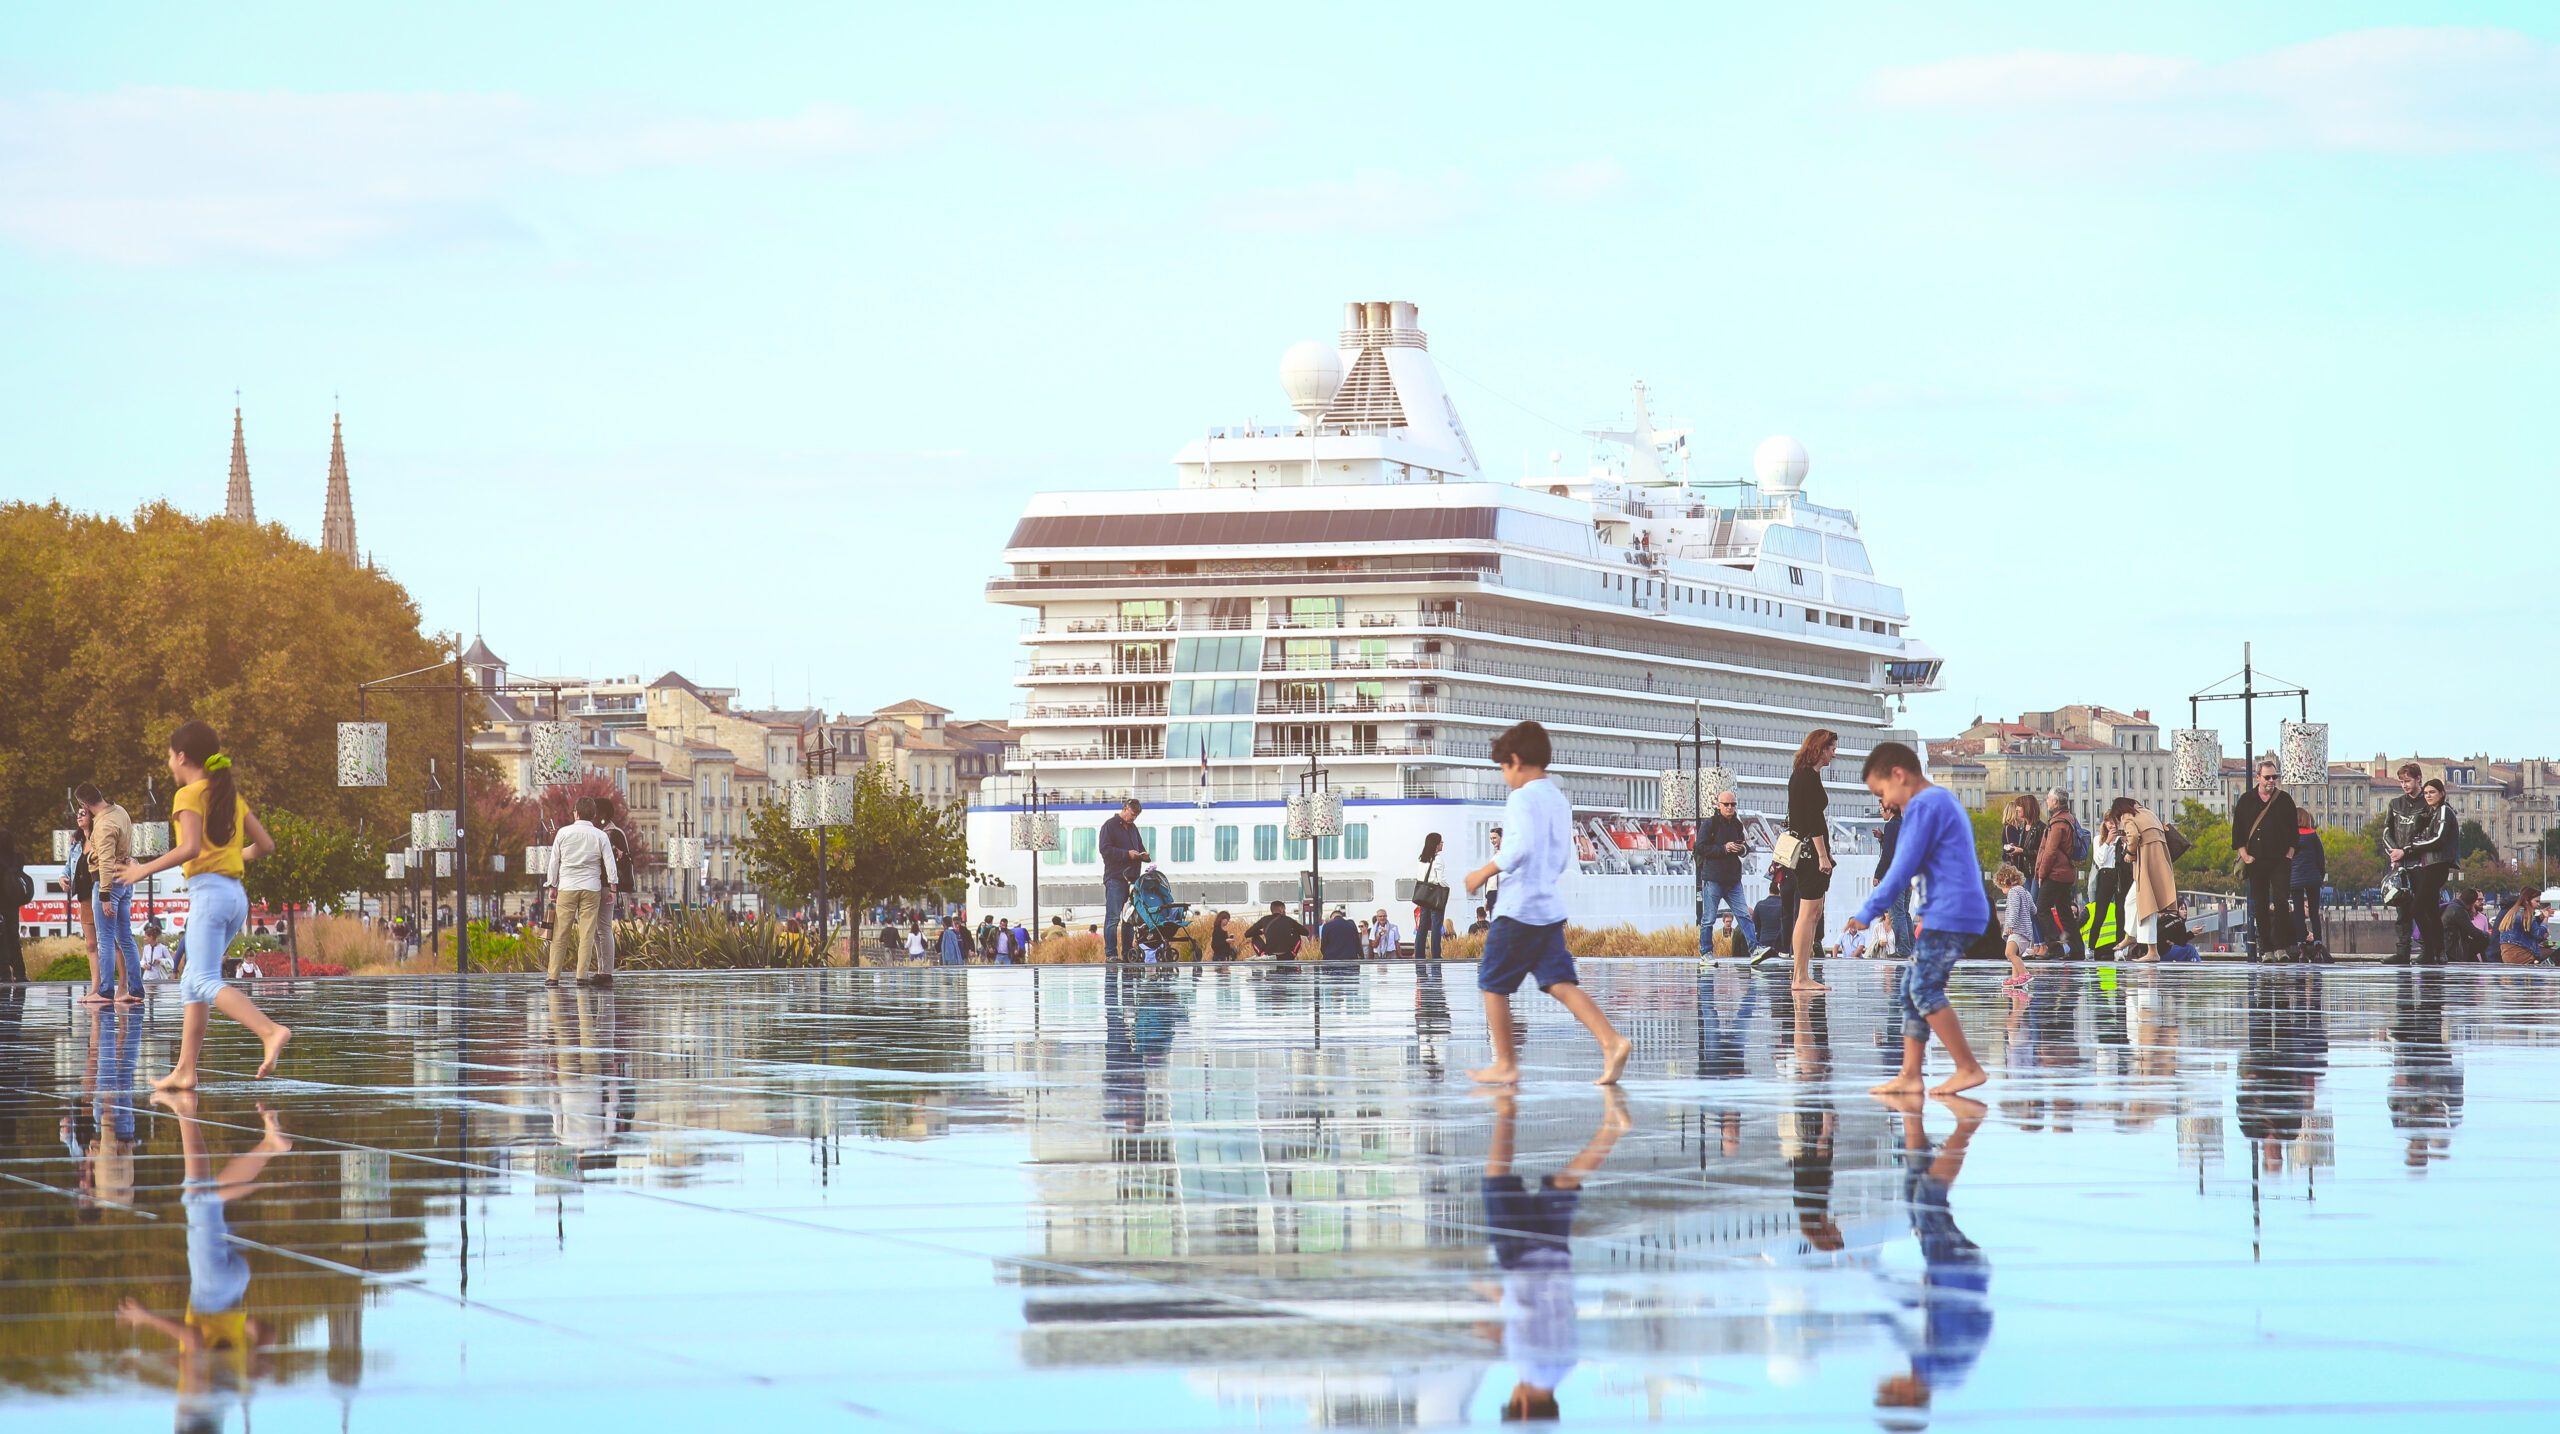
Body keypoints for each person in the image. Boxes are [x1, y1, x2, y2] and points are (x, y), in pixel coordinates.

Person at [115, 721, 292, 1087]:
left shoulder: (189, 794)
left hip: (209, 896)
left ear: (182, 756)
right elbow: (266, 845)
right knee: (191, 984)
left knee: (204, 979)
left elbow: (190, 848)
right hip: (234, 896)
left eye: (169, 756)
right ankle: (185, 1070)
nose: (169, 765)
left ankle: (269, 1030)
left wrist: (141, 870)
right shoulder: (227, 794)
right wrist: (226, 856)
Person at [1462, 720, 1633, 1086]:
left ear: (1516, 760)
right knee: (1559, 982)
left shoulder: (1521, 797)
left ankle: (1505, 1062)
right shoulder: (1558, 798)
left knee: (1492, 983)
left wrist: (1481, 873)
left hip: (1519, 907)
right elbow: (1558, 858)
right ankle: (1611, 1040)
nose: (1505, 776)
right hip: (1549, 908)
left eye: (1504, 768)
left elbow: (1518, 848)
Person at [114, 1093, 291, 1424]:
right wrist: (145, 1317)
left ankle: (253, 1141)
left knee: (207, 1197)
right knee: (199, 1198)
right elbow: (193, 1338)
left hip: (237, 1287)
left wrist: (240, 1333)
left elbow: (268, 1334)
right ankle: (192, 1114)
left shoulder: (233, 1388)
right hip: (211, 1290)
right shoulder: (198, 1395)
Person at [1844, 741, 1991, 1097]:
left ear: (1898, 774)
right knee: (1912, 990)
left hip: (1952, 913)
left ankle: (1967, 1067)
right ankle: (1910, 1074)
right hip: (1948, 911)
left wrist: (1866, 913)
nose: (1886, 804)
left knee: (1924, 988)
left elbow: (1901, 869)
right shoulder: (1935, 803)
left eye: (1882, 793)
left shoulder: (1926, 805)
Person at [1476, 1086, 1628, 1421]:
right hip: (1518, 1260)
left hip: (1556, 1258)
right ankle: (1506, 1107)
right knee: (1496, 1179)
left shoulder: (1568, 1364)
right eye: (1512, 1399)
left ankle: (1611, 1130)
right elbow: (1521, 1314)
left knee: (1563, 1184)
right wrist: (1490, 1309)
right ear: (1525, 1406)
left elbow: (1560, 1313)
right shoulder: (1527, 1368)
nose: (1513, 1391)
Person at [1869, 1092, 1994, 1423]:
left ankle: (1913, 1116)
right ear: (1906, 1396)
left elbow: (1927, 1309)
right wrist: (1872, 1288)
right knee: (1927, 1197)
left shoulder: (1947, 1375)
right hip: (1955, 1271)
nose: (1890, 1378)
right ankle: (1967, 1125)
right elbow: (1905, 1318)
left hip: (1962, 1273)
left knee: (1915, 1195)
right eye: (1890, 1387)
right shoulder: (1932, 1369)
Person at [1783, 728, 1839, 993]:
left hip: (1809, 851)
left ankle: (1802, 974)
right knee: (1807, 914)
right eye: (1831, 749)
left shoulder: (1806, 776)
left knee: (1814, 913)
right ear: (1819, 748)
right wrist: (1822, 855)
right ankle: (1800, 976)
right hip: (1809, 854)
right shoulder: (1806, 778)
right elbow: (1812, 820)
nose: (1833, 754)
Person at [79, 784, 145, 1005]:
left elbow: (106, 862)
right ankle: (136, 990)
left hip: (108, 882)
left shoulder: (104, 824)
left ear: (84, 805)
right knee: (125, 938)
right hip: (125, 880)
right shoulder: (120, 812)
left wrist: (105, 896)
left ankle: (105, 991)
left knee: (104, 939)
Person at [543, 797, 619, 988]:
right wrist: (613, 887)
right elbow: (610, 862)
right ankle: (581, 976)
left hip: (567, 887)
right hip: (591, 888)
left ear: (576, 813)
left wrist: (552, 885)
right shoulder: (600, 836)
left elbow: (554, 861)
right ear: (593, 815)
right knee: (587, 933)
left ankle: (553, 976)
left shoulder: (563, 833)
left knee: (560, 933)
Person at [2230, 759, 2298, 961]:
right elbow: (2238, 832)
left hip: (2279, 860)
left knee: (2281, 901)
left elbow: (2294, 832)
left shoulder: (2284, 800)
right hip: (2256, 860)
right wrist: (2245, 855)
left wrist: (2289, 854)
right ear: (2257, 777)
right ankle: (2266, 949)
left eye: (2274, 777)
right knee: (2259, 904)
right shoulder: (2246, 800)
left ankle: (2281, 947)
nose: (2271, 781)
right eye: (2267, 777)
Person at [2390, 778, 2459, 964]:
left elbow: (2438, 839)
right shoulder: (2432, 813)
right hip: (2428, 865)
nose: (2428, 796)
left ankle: (2431, 950)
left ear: (2442, 794)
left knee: (2417, 907)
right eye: (2426, 793)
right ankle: (2438, 951)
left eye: (2432, 792)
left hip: (2437, 866)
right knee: (2430, 910)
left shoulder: (2444, 811)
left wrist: (2410, 848)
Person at [2112, 798, 2179, 963]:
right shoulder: (2149, 813)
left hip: (2148, 865)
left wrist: (2129, 853)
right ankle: (2131, 935)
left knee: (2147, 907)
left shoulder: (2128, 817)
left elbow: (2133, 837)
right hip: (2160, 862)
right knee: (2131, 901)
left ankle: (2152, 951)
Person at [1695, 789, 1756, 954]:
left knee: (1744, 915)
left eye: (1733, 804)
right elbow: (1699, 847)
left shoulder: (1737, 824)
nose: (1730, 807)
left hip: (1733, 879)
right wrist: (1724, 848)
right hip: (1713, 878)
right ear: (1718, 805)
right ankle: (1706, 952)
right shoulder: (1710, 824)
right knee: (1708, 918)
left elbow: (1745, 846)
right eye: (1726, 804)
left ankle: (1754, 949)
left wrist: (1741, 848)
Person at [2379, 764, 2429, 961]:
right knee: (2402, 911)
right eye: (2401, 781)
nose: (2404, 785)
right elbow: (2386, 832)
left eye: (2407, 781)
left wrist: (2405, 851)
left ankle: (2428, 950)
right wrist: (2394, 853)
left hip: (2421, 864)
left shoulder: (2428, 804)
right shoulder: (2395, 804)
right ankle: (2402, 951)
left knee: (2423, 909)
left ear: (2418, 779)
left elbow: (2429, 836)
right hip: (2400, 866)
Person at [2035, 791, 2085, 961]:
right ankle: (2077, 949)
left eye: (2049, 799)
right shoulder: (2070, 818)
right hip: (2067, 873)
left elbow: (2050, 852)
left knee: (2041, 908)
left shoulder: (2057, 823)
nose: (2047, 801)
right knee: (2065, 912)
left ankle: (2055, 947)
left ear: (2055, 802)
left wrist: (2041, 873)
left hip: (2056, 873)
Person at [1099, 798, 1148, 964]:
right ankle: (1111, 954)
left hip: (1132, 879)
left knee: (1129, 918)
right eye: (1132, 815)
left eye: (1136, 816)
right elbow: (1104, 849)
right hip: (1116, 878)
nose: (1133, 818)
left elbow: (1140, 847)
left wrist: (1144, 855)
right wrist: (1127, 854)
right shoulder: (1109, 826)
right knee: (1113, 918)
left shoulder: (1133, 829)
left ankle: (1127, 953)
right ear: (1125, 809)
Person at [595, 803, 634, 985]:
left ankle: (606, 970)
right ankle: (601, 968)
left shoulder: (613, 833)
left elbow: (624, 858)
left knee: (603, 928)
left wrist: (614, 886)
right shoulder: (599, 832)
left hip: (606, 884)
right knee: (597, 930)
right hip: (598, 884)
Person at [1991, 865, 2038, 988]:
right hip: (2026, 932)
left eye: (2001, 886)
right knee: (2015, 956)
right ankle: (2016, 978)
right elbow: (2034, 910)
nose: (2002, 890)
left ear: (2005, 882)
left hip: (2017, 930)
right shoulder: (2025, 892)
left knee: (2009, 954)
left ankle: (2024, 974)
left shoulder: (2013, 892)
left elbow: (2014, 910)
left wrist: (2010, 924)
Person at [2290, 808, 2326, 954]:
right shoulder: (2313, 836)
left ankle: (2301, 944)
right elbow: (2320, 858)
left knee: (2298, 912)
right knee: (2313, 912)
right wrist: (2320, 876)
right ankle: (2317, 942)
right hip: (2313, 878)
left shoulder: (2290, 837)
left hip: (2295, 879)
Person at [1413, 833, 1449, 961]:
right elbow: (1440, 879)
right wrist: (1447, 888)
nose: (1442, 844)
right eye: (1441, 842)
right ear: (1436, 844)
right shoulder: (1438, 859)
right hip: (1434, 896)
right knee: (1436, 926)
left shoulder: (1422, 858)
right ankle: (1436, 955)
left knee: (1422, 926)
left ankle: (1419, 955)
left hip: (1423, 895)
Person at [1997, 795, 2042, 893]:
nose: (2018, 810)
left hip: (2030, 870)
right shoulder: (2013, 829)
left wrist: (2021, 850)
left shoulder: (2031, 828)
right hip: (2022, 869)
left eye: (2019, 808)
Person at [0, 830, 27, 983]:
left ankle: (3, 972)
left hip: (1, 903)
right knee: (14, 937)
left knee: (1, 939)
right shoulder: (18, 858)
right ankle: (20, 972)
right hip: (13, 903)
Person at [2494, 890, 2547, 965]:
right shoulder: (2526, 914)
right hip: (2521, 956)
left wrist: (2541, 917)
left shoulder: (2513, 912)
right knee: (2554, 955)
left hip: (2507, 955)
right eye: (2536, 901)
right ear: (2527, 901)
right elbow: (2538, 934)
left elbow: (2527, 930)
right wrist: (2545, 919)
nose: (2538, 904)